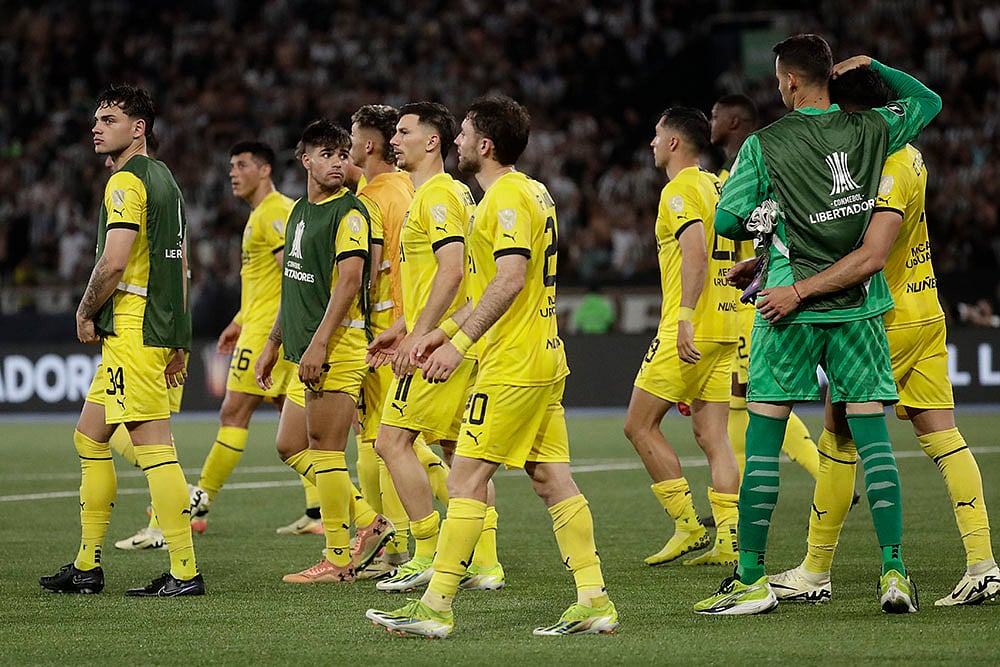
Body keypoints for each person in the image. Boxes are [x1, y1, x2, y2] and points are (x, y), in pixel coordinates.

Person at [694, 36, 941, 616]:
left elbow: (726, 220)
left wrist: (772, 214)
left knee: (762, 444)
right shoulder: (873, 129)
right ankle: (895, 572)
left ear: (788, 82)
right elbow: (927, 102)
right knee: (874, 443)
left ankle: (751, 579)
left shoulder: (765, 144)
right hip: (857, 307)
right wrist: (876, 66)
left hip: (789, 307)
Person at [367, 95, 617, 638]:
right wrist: (435, 335)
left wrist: (459, 347)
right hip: (543, 354)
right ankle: (594, 598)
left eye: (463, 134)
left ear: (485, 144)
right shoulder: (533, 191)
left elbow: (509, 279)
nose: (455, 141)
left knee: (465, 480)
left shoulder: (504, 197)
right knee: (552, 479)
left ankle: (435, 606)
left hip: (511, 362)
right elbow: (481, 289)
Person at [761, 66, 999, 607]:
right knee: (944, 439)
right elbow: (925, 98)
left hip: (884, 319)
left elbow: (869, 256)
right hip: (927, 306)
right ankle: (983, 564)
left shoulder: (884, 164)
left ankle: (815, 570)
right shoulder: (908, 148)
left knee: (839, 435)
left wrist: (797, 291)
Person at [40, 84, 205, 596]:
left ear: (138, 129)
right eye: (96, 119)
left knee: (154, 447)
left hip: (133, 327)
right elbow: (180, 266)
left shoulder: (126, 183)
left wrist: (84, 308)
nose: (96, 127)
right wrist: (179, 335)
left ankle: (184, 572)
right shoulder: (166, 182)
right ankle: (87, 566)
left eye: (108, 119)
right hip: (152, 328)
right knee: (90, 437)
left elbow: (113, 262)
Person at [366, 102, 503, 594]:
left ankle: (426, 550)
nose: (393, 140)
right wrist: (403, 324)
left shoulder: (438, 197)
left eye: (403, 132)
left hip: (441, 343)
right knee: (456, 452)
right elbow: (438, 278)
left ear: (431, 142)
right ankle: (485, 563)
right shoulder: (445, 195)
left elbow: (453, 270)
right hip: (453, 336)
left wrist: (420, 334)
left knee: (391, 441)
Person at [255, 119, 393, 583]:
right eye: (327, 154)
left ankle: (337, 561)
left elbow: (351, 283)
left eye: (342, 154)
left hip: (337, 346)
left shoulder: (349, 213)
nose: (338, 162)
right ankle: (370, 520)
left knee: (327, 451)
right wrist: (274, 343)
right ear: (306, 159)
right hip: (303, 347)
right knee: (290, 445)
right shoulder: (298, 212)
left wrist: (318, 343)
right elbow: (294, 286)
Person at [622, 108, 741, 567]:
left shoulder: (680, 190)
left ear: (675, 143)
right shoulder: (720, 185)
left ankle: (688, 525)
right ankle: (728, 539)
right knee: (713, 436)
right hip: (729, 323)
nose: (651, 143)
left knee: (638, 425)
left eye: (656, 134)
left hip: (690, 327)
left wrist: (686, 316)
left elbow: (696, 253)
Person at [349, 104, 450, 577]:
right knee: (443, 445)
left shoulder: (374, 197)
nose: (395, 140)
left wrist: (412, 328)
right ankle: (472, 554)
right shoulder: (414, 189)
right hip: (421, 325)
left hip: (401, 327)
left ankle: (407, 549)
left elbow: (364, 272)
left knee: (383, 439)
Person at [710, 94, 820, 487]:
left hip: (758, 300)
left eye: (717, 115)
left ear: (737, 121)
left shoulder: (761, 165)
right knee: (741, 402)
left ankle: (824, 475)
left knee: (757, 399)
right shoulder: (724, 173)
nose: (711, 121)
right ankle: (735, 497)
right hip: (742, 294)